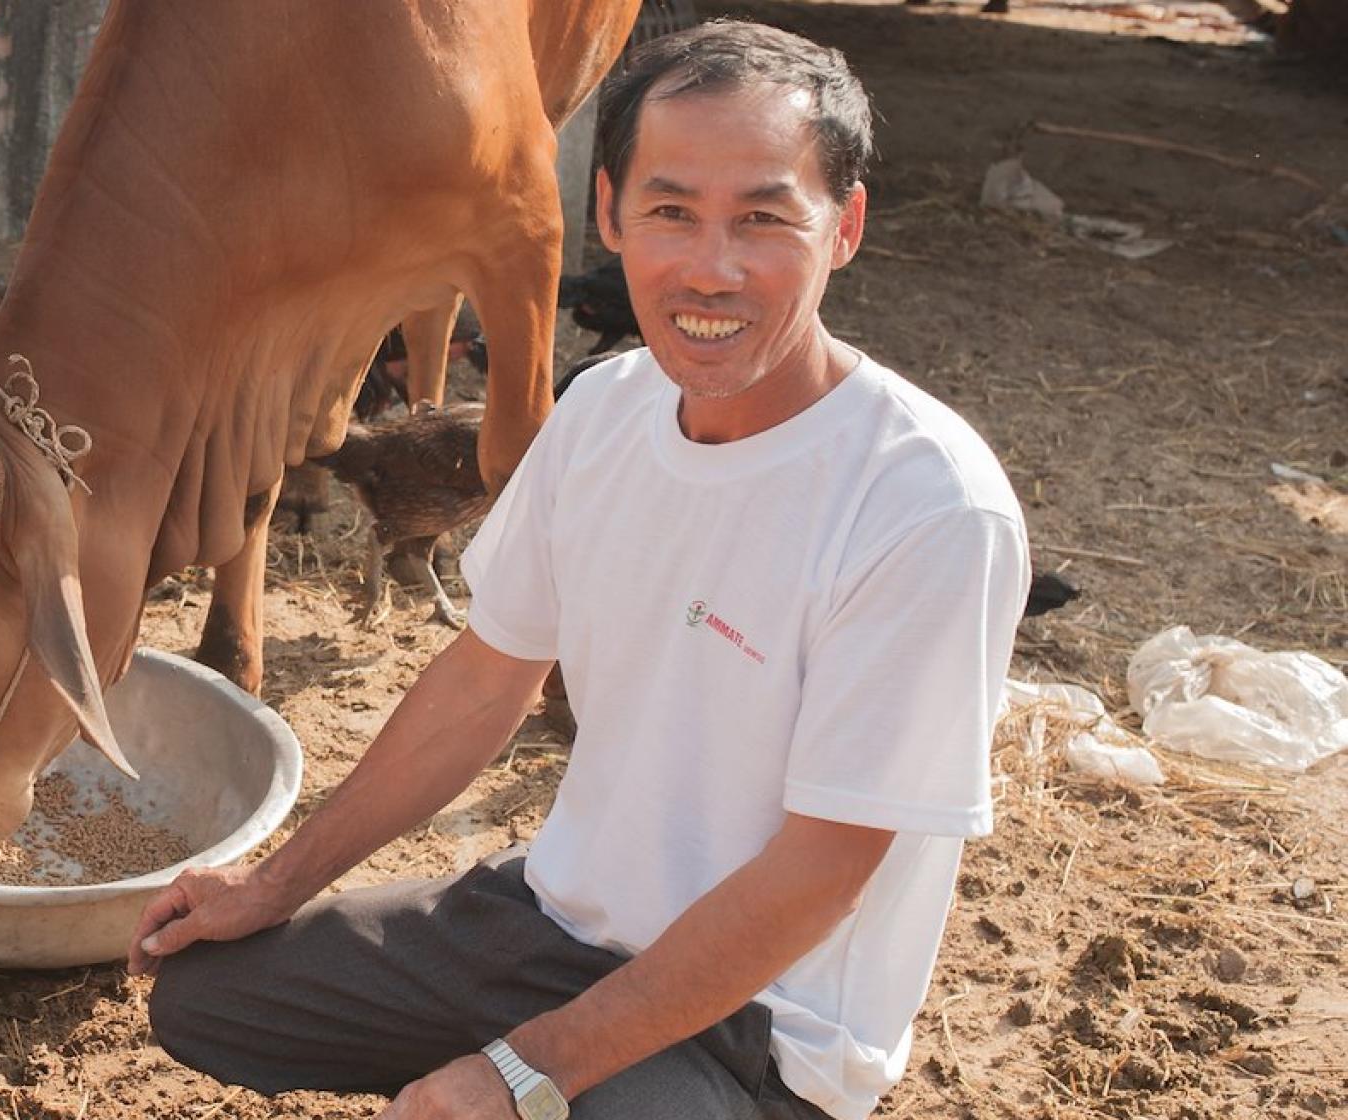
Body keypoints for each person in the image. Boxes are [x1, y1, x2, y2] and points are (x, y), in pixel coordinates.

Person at [130, 20, 1031, 1120]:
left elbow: (819, 875)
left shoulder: (925, 504)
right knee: (209, 994)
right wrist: (271, 883)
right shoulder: (604, 410)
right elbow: (481, 682)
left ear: (843, 226)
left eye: (763, 217)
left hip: (760, 1024)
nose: (711, 267)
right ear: (607, 212)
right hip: (554, 924)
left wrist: (520, 1073)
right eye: (669, 212)